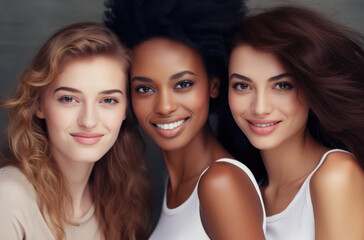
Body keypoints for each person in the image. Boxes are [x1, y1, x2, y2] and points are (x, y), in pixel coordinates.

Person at [104, 0, 266, 239]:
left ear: (213, 85)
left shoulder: (221, 183)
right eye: (145, 89)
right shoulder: (173, 180)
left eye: (183, 84)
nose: (165, 106)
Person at [0, 22, 151, 240]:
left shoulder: (118, 203)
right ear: (39, 105)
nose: (88, 121)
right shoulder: (8, 196)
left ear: (126, 109)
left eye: (108, 100)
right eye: (69, 99)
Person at [228, 5, 364, 240]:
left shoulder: (336, 175)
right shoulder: (251, 192)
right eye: (243, 86)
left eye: (282, 86)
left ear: (311, 89)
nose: (260, 108)